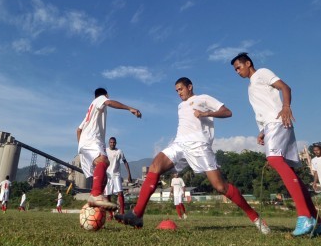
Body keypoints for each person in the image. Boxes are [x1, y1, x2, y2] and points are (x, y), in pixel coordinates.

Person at [115, 77, 270, 234]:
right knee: (155, 165)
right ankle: (137, 214)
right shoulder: (180, 106)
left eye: (181, 89)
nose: (179, 93)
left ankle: (256, 218)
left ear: (190, 87)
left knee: (220, 186)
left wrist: (205, 113)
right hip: (179, 144)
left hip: (199, 145)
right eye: (176, 91)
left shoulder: (203, 98)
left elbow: (227, 112)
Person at [232, 52, 319, 236]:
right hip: (270, 126)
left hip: (277, 121)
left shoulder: (261, 73)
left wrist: (286, 106)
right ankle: (315, 219)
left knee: (274, 160)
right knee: (287, 168)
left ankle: (304, 216)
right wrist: (262, 131)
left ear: (248, 63)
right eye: (235, 70)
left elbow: (285, 87)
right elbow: (263, 108)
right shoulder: (250, 87)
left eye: (239, 67)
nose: (237, 72)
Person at [77, 87, 141, 210]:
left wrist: (81, 147)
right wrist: (130, 108)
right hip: (92, 140)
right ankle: (95, 196)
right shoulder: (101, 99)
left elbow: (78, 130)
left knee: (104, 177)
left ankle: (96, 204)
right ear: (106, 95)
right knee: (104, 161)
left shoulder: (90, 110)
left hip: (84, 144)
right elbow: (109, 102)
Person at [104, 137, 132, 219]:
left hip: (116, 175)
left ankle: (122, 213)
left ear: (116, 143)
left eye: (114, 142)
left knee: (120, 193)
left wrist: (129, 174)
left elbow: (125, 162)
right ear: (109, 143)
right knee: (107, 195)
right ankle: (110, 214)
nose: (112, 144)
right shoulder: (105, 151)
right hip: (108, 175)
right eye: (111, 142)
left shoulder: (119, 151)